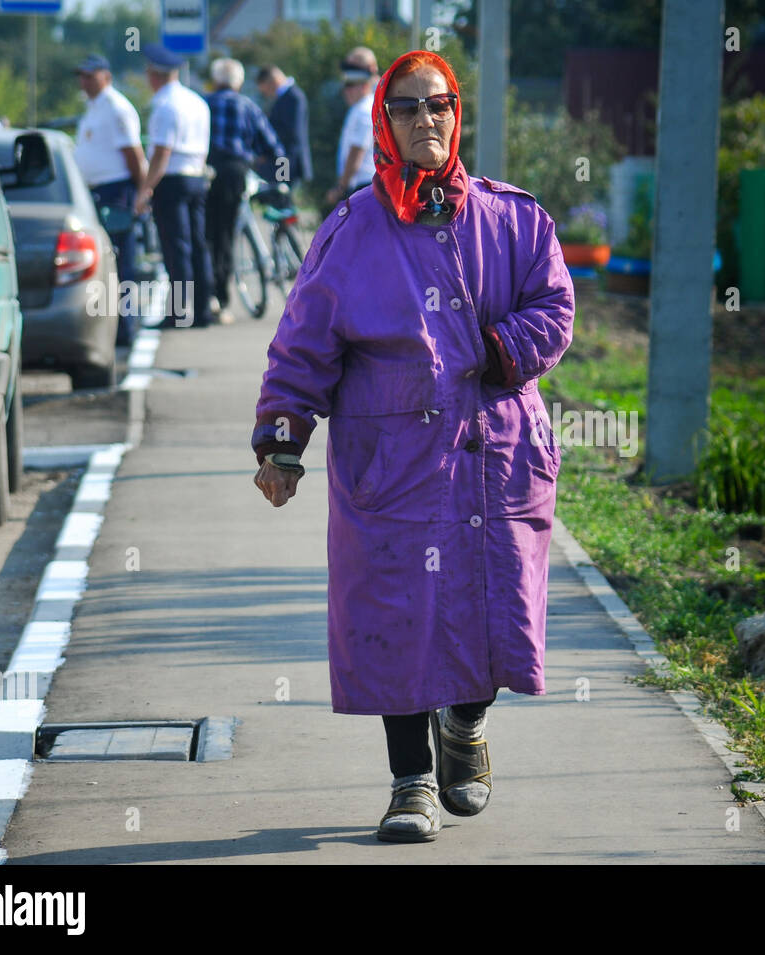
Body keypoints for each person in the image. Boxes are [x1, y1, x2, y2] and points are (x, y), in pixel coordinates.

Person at [250, 50, 574, 843]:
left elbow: (555, 306)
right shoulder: (353, 230)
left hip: (494, 452)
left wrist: (498, 349)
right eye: (405, 107)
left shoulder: (514, 218)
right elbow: (304, 343)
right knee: (396, 613)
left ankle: (465, 727)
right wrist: (283, 437)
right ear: (382, 120)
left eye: (438, 105)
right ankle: (411, 782)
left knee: (495, 602)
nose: (424, 121)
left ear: (456, 113)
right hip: (390, 460)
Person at [135, 42, 214, 328]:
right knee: (198, 244)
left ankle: (178, 313)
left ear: (155, 75)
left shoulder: (164, 107)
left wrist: (145, 189)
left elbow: (161, 153)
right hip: (196, 176)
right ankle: (203, 310)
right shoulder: (197, 102)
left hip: (172, 180)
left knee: (176, 248)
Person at [204, 57, 285, 325]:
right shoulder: (247, 106)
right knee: (226, 234)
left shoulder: (204, 103)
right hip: (235, 172)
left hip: (204, 170)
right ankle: (221, 300)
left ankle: (204, 297)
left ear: (216, 80)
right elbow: (273, 147)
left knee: (206, 235)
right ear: (238, 82)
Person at [73, 53, 146, 346]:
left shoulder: (116, 108)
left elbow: (133, 155)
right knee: (105, 262)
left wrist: (142, 192)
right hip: (99, 192)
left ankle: (125, 330)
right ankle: (111, 327)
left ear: (106, 76)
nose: (84, 81)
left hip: (116, 192)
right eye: (82, 75)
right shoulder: (94, 107)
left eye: (90, 75)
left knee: (121, 262)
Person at [324, 47, 378, 209]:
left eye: (350, 84)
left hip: (363, 186)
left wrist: (340, 187)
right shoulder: (364, 106)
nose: (345, 90)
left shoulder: (363, 110)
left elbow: (356, 153)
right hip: (365, 186)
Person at [255, 65, 311, 187]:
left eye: (266, 91)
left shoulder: (293, 97)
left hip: (286, 162)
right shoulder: (285, 97)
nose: (267, 95)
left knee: (282, 197)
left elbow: (292, 135)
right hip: (283, 161)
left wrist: (267, 150)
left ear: (272, 82)